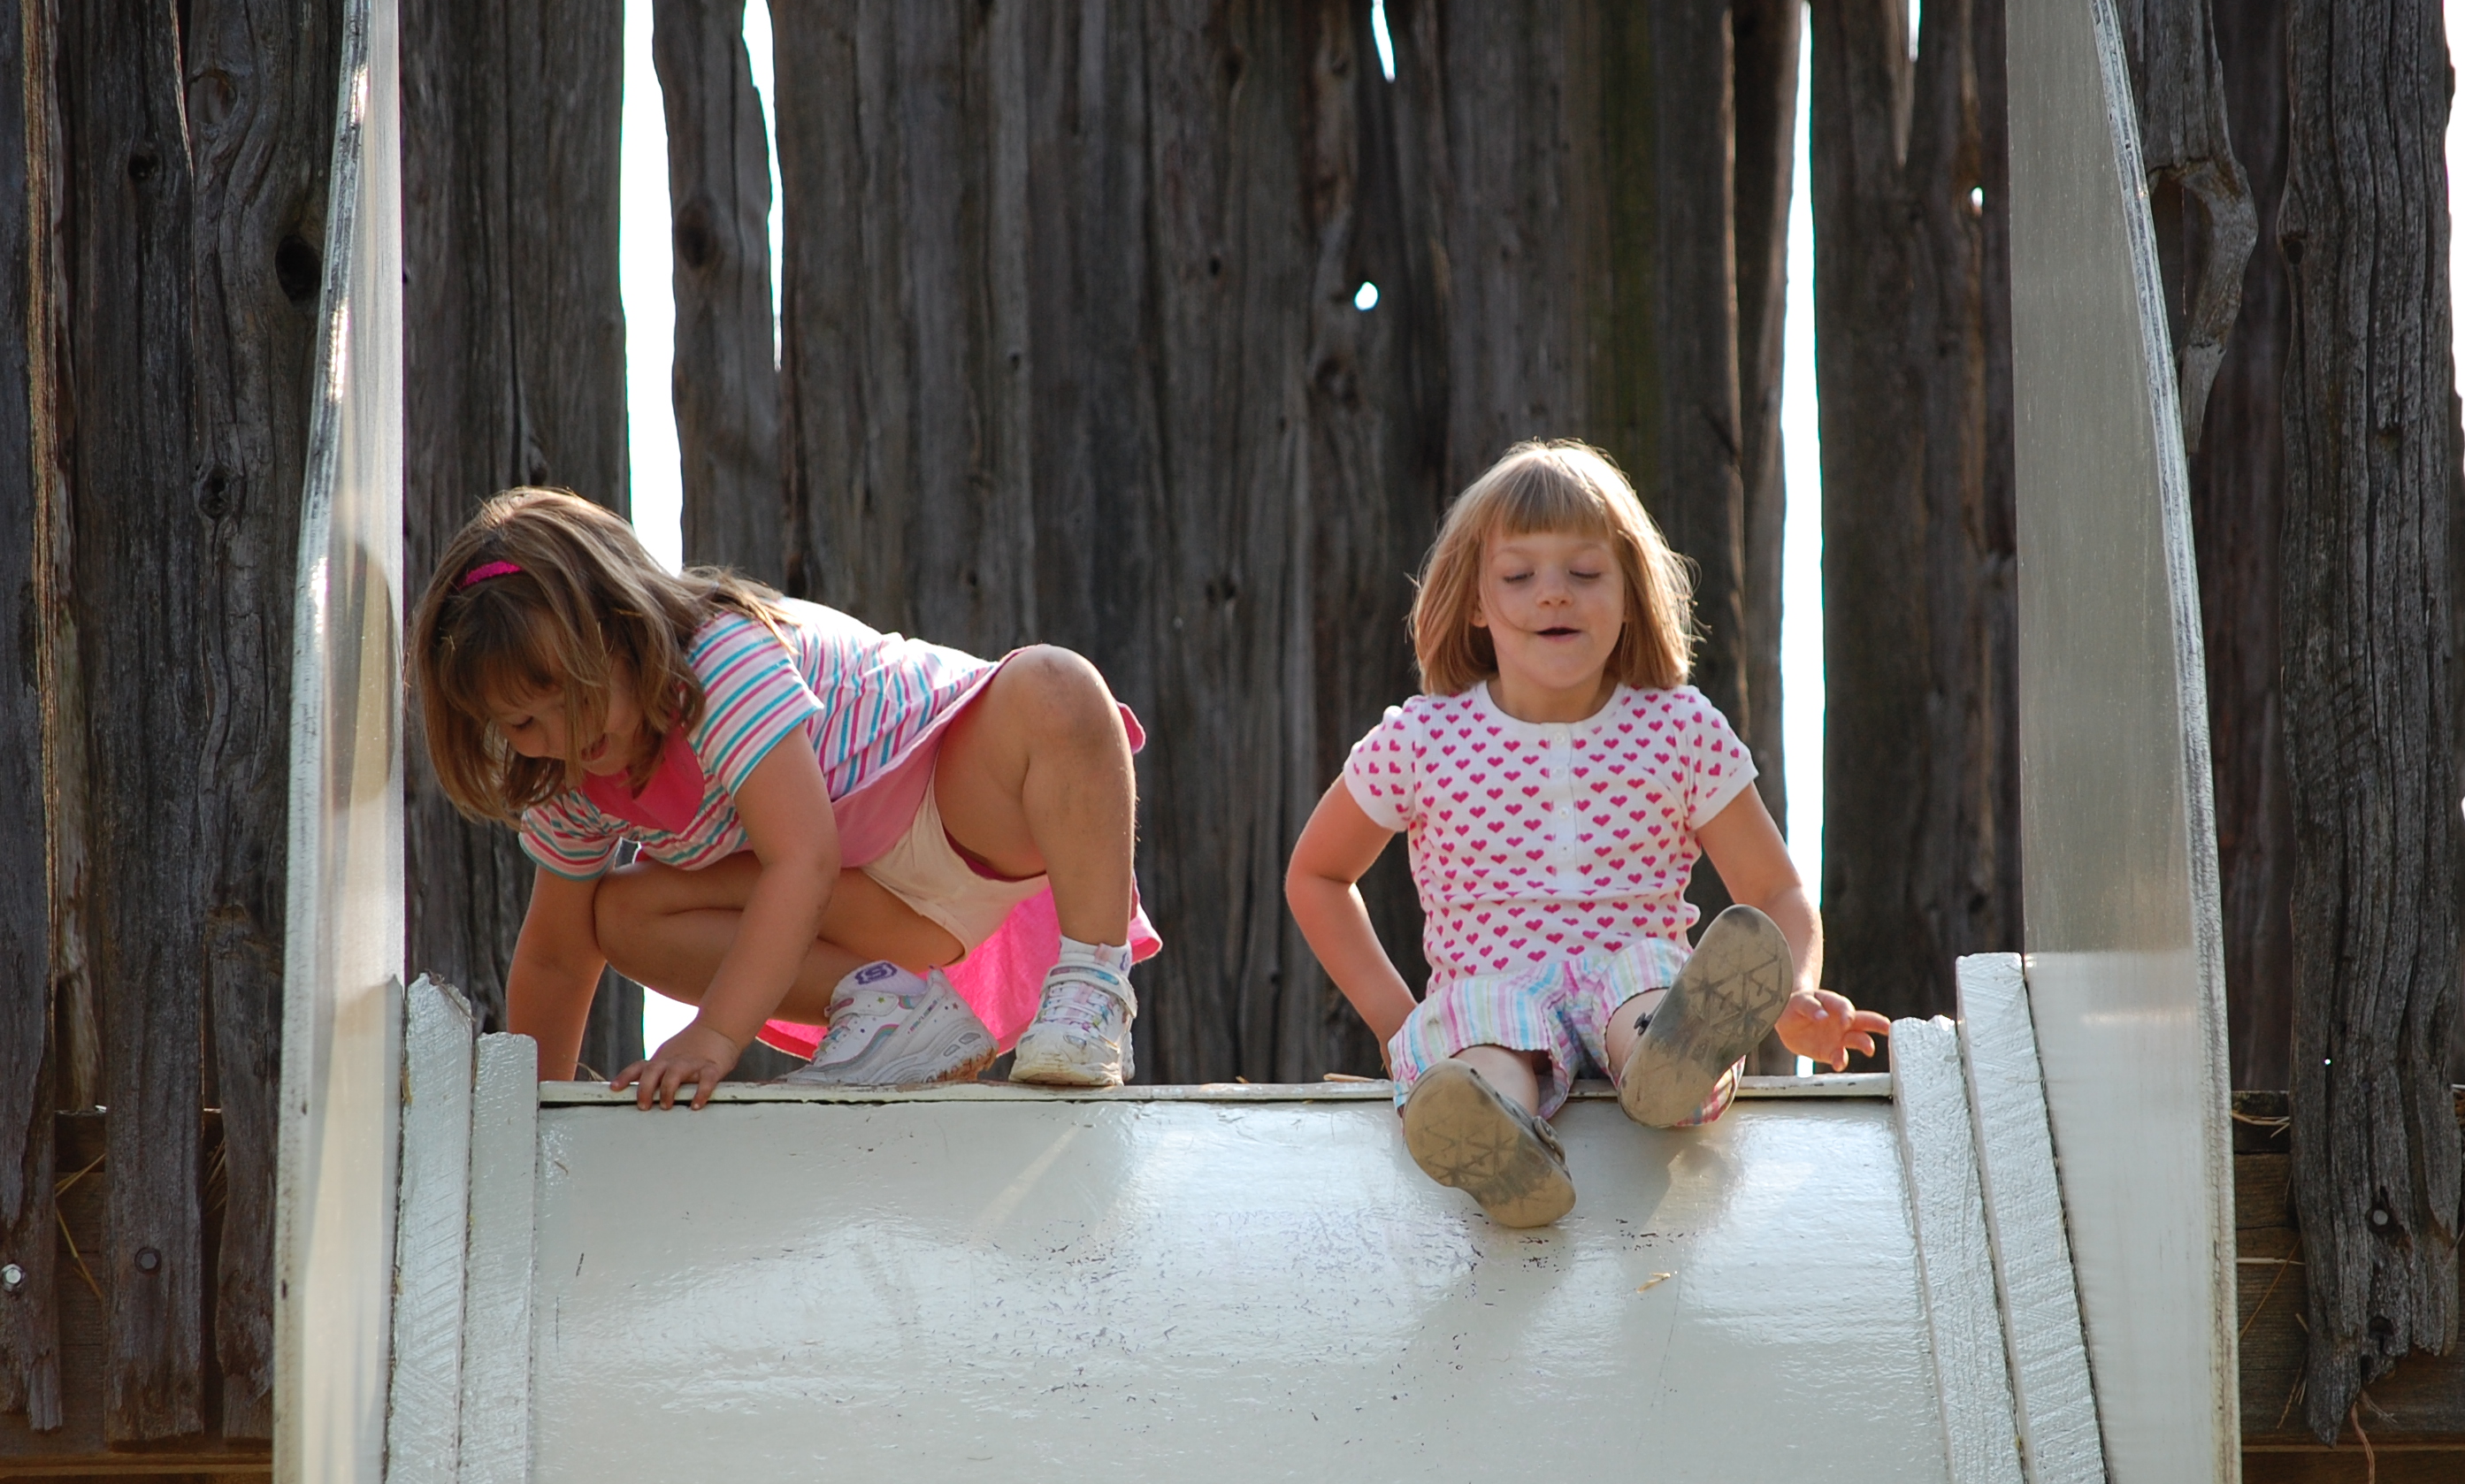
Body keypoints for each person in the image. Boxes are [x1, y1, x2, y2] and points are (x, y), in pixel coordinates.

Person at [1285, 441, 1887, 1228]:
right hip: (1493, 990)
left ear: (1630, 593)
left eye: (1585, 572)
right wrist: (1400, 1026)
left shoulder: (1678, 729)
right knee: (1480, 1033)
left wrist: (1793, 992)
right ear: (1475, 601)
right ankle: (1492, 1130)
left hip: (1634, 982)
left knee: (1657, 989)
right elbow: (1319, 875)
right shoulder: (1422, 740)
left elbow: (1773, 889)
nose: (1553, 594)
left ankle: (1673, 1065)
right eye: (1518, 575)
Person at [410, 488, 1155, 1109]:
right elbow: (557, 956)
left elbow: (803, 859)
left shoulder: (715, 661)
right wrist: (531, 1112)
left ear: (625, 625)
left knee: (1054, 685)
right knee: (618, 915)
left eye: (575, 693)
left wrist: (715, 1034)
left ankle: (1092, 982)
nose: (563, 735)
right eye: (522, 723)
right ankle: (890, 1007)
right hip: (882, 914)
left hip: (953, 804)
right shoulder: (568, 782)